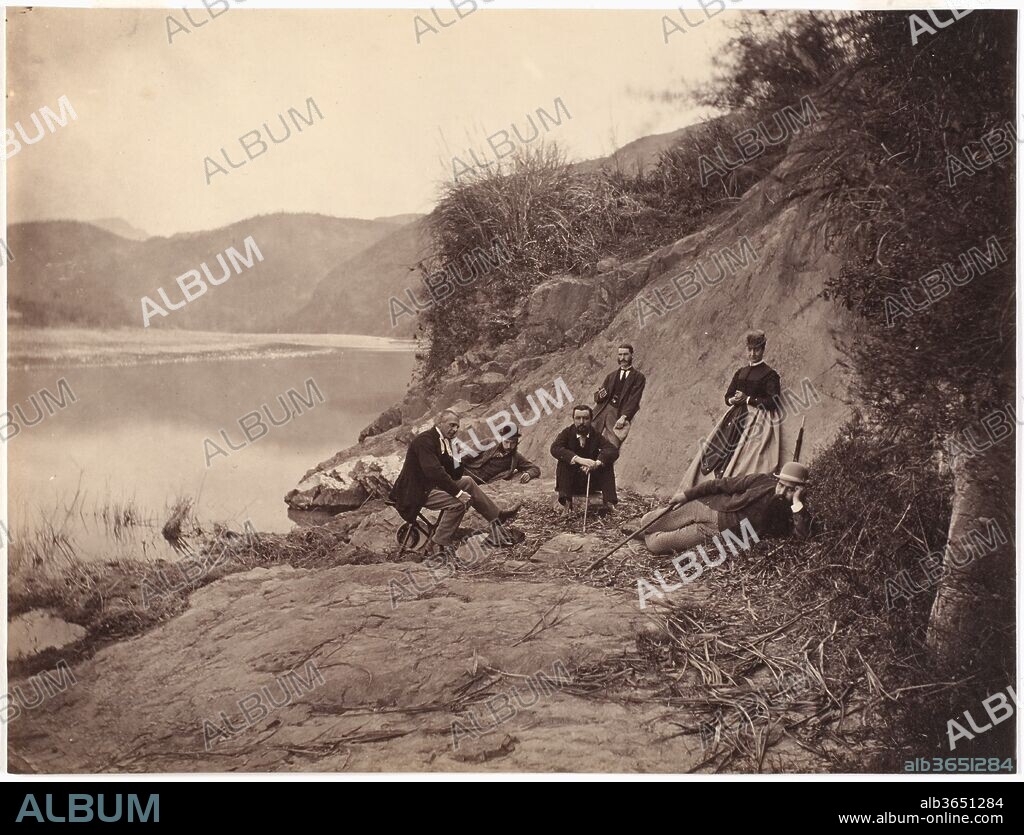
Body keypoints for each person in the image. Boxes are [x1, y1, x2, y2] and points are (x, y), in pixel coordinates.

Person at [390, 410, 518, 551]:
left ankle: (497, 517)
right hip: (414, 493)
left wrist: (456, 457)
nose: (455, 429)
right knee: (458, 503)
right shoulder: (424, 441)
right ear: (439, 423)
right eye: (451, 425)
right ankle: (438, 544)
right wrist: (458, 493)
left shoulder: (442, 441)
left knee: (467, 481)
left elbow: (454, 473)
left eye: (457, 426)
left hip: (428, 487)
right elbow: (434, 471)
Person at [635, 462, 812, 556]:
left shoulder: (794, 511)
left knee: (656, 545)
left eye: (791, 489)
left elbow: (802, 536)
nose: (782, 491)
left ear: (800, 490)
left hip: (715, 533)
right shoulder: (762, 481)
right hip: (707, 507)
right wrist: (687, 495)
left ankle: (646, 534)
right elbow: (722, 484)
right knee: (646, 521)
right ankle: (647, 528)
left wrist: (796, 502)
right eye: (781, 485)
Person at [681, 329, 783, 488]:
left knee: (746, 456)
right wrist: (732, 399)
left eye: (757, 350)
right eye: (750, 349)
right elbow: (727, 397)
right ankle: (713, 482)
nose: (753, 353)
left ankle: (734, 483)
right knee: (719, 448)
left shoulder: (770, 375)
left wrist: (748, 399)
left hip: (757, 419)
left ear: (763, 350)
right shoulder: (740, 372)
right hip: (735, 416)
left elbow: (774, 402)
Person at [592, 343, 646, 504]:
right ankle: (588, 485)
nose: (622, 358)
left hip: (617, 414)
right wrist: (600, 395)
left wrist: (624, 416)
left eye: (625, 355)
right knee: (589, 443)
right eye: (620, 355)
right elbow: (598, 396)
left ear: (631, 356)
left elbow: (634, 400)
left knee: (611, 449)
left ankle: (608, 493)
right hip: (601, 412)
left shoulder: (638, 377)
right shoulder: (611, 376)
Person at [550, 405, 619, 513]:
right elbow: (555, 448)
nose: (582, 422)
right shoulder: (567, 433)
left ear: (591, 419)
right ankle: (567, 505)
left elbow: (612, 450)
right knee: (564, 461)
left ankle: (610, 503)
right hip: (570, 483)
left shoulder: (595, 435)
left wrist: (596, 463)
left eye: (585, 418)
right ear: (573, 419)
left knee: (606, 463)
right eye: (578, 418)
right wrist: (579, 460)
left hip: (590, 480)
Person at [461, 424, 541, 485]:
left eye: (513, 443)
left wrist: (529, 474)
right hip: (465, 472)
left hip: (480, 483)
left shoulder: (516, 458)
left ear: (516, 442)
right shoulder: (489, 443)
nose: (509, 446)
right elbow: (468, 454)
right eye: (506, 442)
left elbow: (535, 468)